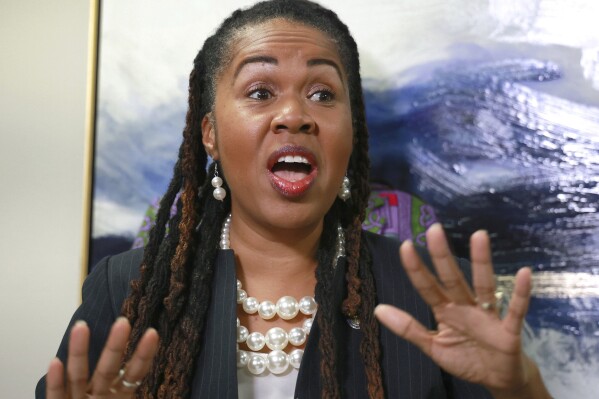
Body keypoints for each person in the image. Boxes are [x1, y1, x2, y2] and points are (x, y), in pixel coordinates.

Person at [38, 0, 552, 398]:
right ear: (210, 134)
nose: (295, 114)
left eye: (323, 94)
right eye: (260, 92)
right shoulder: (127, 290)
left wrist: (519, 387)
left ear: (351, 133)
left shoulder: (438, 297)